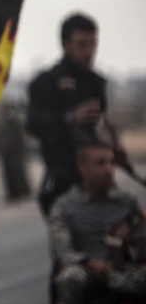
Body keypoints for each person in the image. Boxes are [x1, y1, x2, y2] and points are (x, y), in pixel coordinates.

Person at [49, 138, 146, 304]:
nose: (108, 169)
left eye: (111, 162)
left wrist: (130, 240)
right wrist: (89, 262)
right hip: (88, 273)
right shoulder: (65, 206)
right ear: (83, 167)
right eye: (100, 163)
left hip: (123, 271)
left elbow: (142, 251)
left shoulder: (126, 202)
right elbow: (63, 250)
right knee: (69, 278)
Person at [28, 13, 125, 215]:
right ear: (66, 45)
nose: (89, 52)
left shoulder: (95, 83)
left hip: (95, 179)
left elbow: (100, 125)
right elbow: (34, 125)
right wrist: (70, 119)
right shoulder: (46, 82)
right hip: (62, 176)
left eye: (92, 44)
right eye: (82, 45)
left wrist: (112, 148)